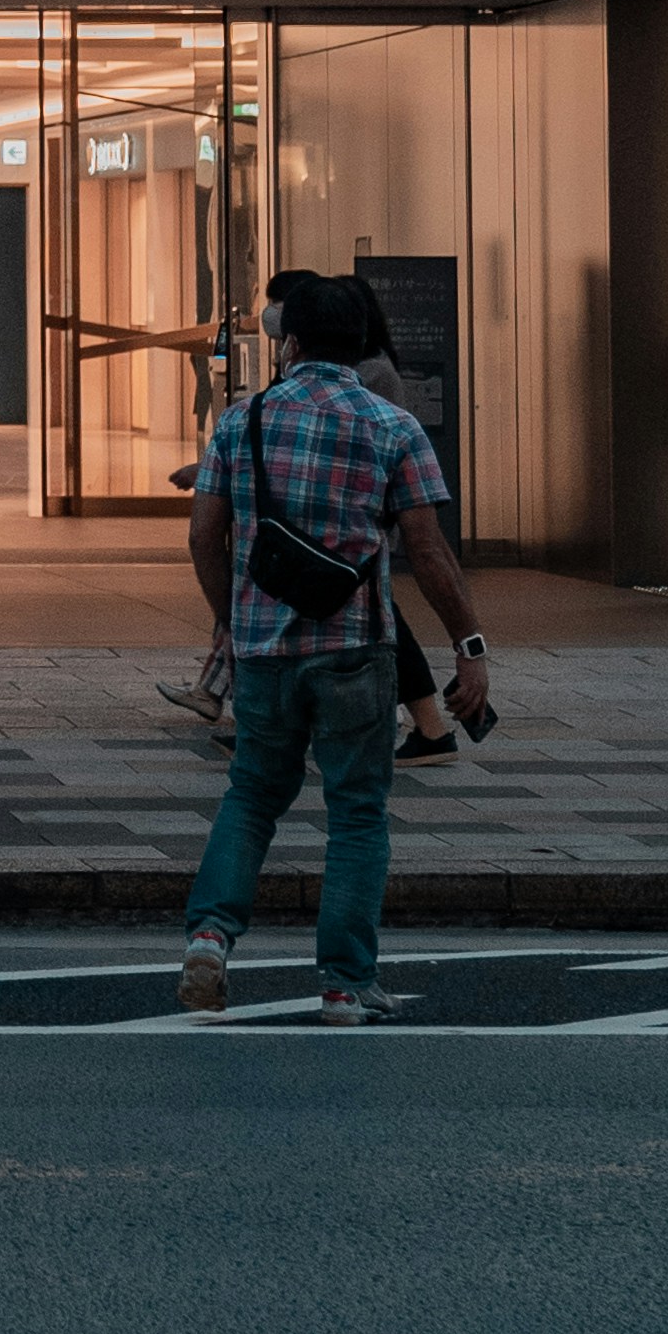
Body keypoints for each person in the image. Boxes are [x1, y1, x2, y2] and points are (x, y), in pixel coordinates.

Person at [178, 263, 490, 1028]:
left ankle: (212, 937)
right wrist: (468, 646)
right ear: (358, 346)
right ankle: (347, 984)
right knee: (356, 812)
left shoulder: (241, 422)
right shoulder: (392, 426)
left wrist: (233, 618)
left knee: (252, 796)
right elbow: (429, 552)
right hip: (355, 646)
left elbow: (203, 534)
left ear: (291, 345)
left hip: (263, 653)